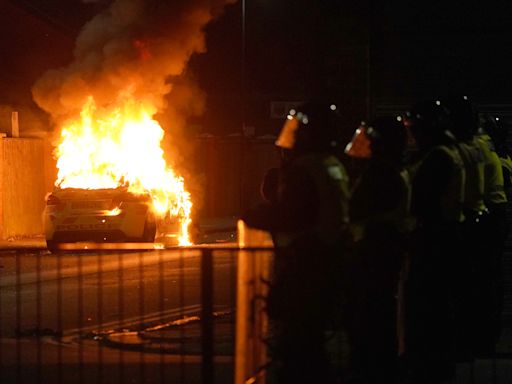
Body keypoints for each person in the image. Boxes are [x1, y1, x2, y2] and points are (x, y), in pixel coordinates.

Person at [242, 102, 351, 384]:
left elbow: (291, 214)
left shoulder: (305, 169)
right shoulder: (331, 164)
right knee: (311, 344)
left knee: (296, 348)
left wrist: (254, 215)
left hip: (305, 264)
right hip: (328, 260)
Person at [344, 116, 413, 384]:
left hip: (375, 254)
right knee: (379, 315)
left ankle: (372, 371)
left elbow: (356, 210)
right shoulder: (394, 169)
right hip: (384, 251)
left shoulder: (381, 174)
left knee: (370, 317)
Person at [403, 100, 466, 383]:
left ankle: (430, 366)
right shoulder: (442, 153)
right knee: (435, 306)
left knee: (428, 306)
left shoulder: (438, 157)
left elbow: (421, 201)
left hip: (433, 240)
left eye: (414, 128)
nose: (412, 134)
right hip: (441, 237)